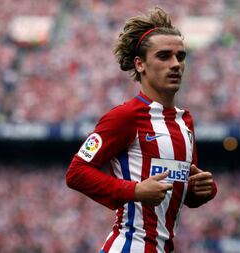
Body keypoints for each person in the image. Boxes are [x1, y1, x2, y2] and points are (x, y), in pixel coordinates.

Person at [66, 6, 217, 253]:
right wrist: (135, 190)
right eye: (164, 56)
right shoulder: (125, 116)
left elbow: (182, 190)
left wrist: (204, 190)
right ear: (140, 64)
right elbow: (76, 173)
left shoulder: (185, 122)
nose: (176, 64)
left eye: (181, 56)